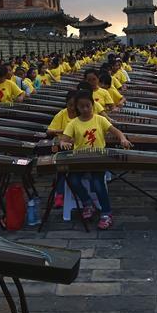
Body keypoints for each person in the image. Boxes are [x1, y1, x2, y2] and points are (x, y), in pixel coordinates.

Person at [59, 90, 132, 230]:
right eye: (82, 107)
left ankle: (106, 213)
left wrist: (122, 139)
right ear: (77, 108)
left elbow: (117, 132)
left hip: (98, 158)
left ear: (92, 105)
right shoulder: (73, 123)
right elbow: (63, 140)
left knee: (98, 182)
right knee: (73, 180)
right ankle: (87, 203)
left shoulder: (100, 119)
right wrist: (64, 144)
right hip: (80, 159)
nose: (85, 109)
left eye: (88, 106)